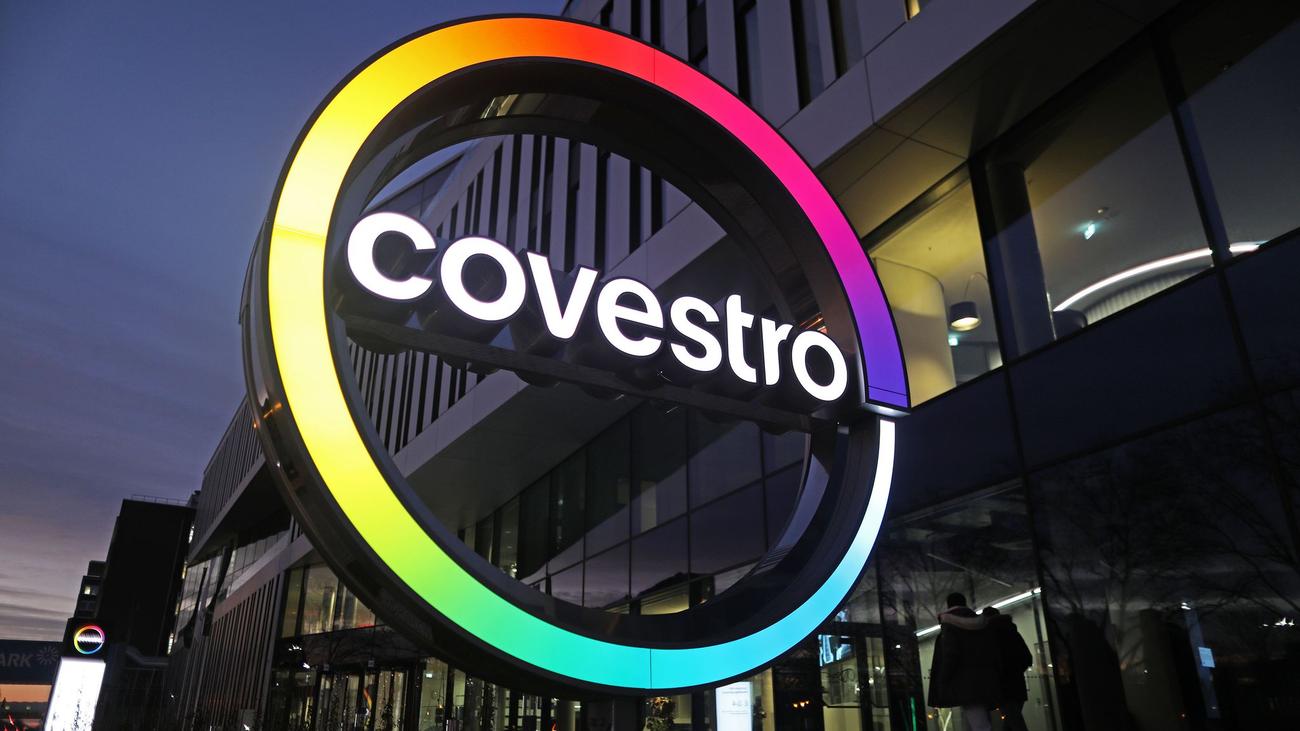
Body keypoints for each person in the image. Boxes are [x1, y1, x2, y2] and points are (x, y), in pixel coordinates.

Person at [927, 593, 1001, 731]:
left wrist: (943, 679)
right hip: (985, 679)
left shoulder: (950, 625)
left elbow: (951, 655)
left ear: (949, 605)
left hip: (964, 683)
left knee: (978, 724)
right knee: (980, 722)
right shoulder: (981, 624)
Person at [981, 606, 1033, 731]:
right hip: (1018, 685)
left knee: (1014, 721)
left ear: (985, 619)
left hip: (1002, 687)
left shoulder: (990, 635)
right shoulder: (1013, 632)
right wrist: (1016, 672)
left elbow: (991, 662)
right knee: (1012, 719)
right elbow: (1027, 658)